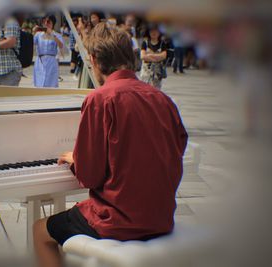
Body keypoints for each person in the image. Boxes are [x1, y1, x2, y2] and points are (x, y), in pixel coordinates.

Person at [33, 22, 188, 267]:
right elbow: (177, 148)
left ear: (93, 60)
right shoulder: (163, 99)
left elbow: (90, 176)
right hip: (161, 218)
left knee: (41, 231)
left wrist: (76, 159)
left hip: (118, 222)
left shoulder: (100, 99)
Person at [33, 15, 64, 88]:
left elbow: (61, 46)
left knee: (51, 84)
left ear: (53, 23)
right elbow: (32, 43)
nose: (46, 23)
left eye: (48, 22)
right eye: (44, 21)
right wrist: (33, 32)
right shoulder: (38, 35)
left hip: (51, 60)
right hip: (40, 61)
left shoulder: (57, 35)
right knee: (39, 83)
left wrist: (52, 34)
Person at [140, 24, 168, 89]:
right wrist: (157, 58)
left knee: (156, 90)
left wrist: (150, 55)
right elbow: (143, 56)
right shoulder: (145, 43)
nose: (154, 33)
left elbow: (164, 56)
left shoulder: (162, 43)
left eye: (156, 31)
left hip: (157, 73)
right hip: (146, 73)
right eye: (152, 31)